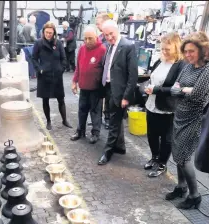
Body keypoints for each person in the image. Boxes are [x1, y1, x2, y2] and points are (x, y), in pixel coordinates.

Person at [166, 32, 209, 209]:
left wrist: (181, 90)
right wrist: (185, 90)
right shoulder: (187, 66)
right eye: (186, 51)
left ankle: (194, 195)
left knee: (184, 158)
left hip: (194, 118)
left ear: (202, 50)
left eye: (192, 51)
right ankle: (181, 186)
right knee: (177, 154)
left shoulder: (207, 70)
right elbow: (174, 87)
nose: (188, 55)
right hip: (180, 115)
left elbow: (198, 95)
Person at [143, 32, 186, 177]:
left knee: (166, 139)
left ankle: (162, 163)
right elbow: (152, 77)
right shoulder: (159, 61)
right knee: (151, 134)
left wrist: (155, 89)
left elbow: (177, 89)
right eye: (162, 49)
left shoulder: (181, 65)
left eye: (168, 49)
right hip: (151, 104)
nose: (164, 52)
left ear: (176, 47)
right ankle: (154, 157)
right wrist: (148, 87)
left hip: (167, 107)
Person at [97, 20, 138, 165]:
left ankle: (107, 152)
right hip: (108, 88)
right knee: (114, 119)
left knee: (113, 123)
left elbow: (133, 75)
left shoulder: (127, 46)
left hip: (119, 92)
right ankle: (120, 147)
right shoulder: (109, 46)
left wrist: (126, 97)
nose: (108, 37)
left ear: (117, 30)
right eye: (105, 35)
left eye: (111, 34)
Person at [31, 21, 72, 130]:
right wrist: (39, 69)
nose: (48, 34)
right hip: (44, 76)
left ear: (54, 33)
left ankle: (65, 120)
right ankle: (48, 121)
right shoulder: (38, 43)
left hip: (57, 76)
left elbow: (64, 58)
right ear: (43, 32)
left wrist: (61, 69)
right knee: (45, 100)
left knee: (61, 99)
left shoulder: (58, 43)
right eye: (46, 32)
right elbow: (34, 58)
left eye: (50, 32)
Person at [70, 26, 107, 144]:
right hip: (84, 87)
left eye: (90, 38)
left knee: (95, 112)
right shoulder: (82, 49)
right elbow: (78, 68)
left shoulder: (102, 49)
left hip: (96, 88)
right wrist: (74, 82)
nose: (87, 41)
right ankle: (80, 131)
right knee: (82, 110)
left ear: (96, 37)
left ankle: (95, 133)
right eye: (85, 39)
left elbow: (106, 70)